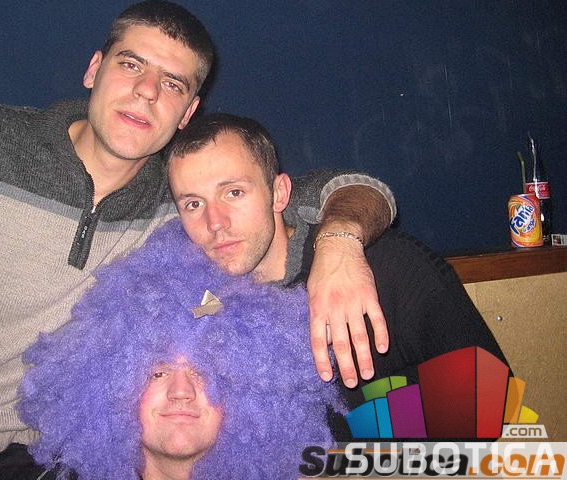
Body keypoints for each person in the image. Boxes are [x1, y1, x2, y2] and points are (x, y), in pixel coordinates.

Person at [0, 1, 391, 480]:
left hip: (21, 459)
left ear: (187, 113)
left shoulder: (176, 201)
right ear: (95, 69)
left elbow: (320, 192)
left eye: (172, 83)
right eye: (131, 64)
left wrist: (340, 241)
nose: (146, 91)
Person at [164, 113, 508, 434]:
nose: (215, 223)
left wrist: (330, 431)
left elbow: (490, 394)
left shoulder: (380, 265)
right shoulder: (196, 303)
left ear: (279, 193)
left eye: (234, 192)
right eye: (193, 204)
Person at [18, 218, 342, 480]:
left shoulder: (308, 468)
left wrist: (343, 237)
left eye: (203, 372)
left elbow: (372, 465)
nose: (181, 392)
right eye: (157, 372)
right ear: (112, 386)